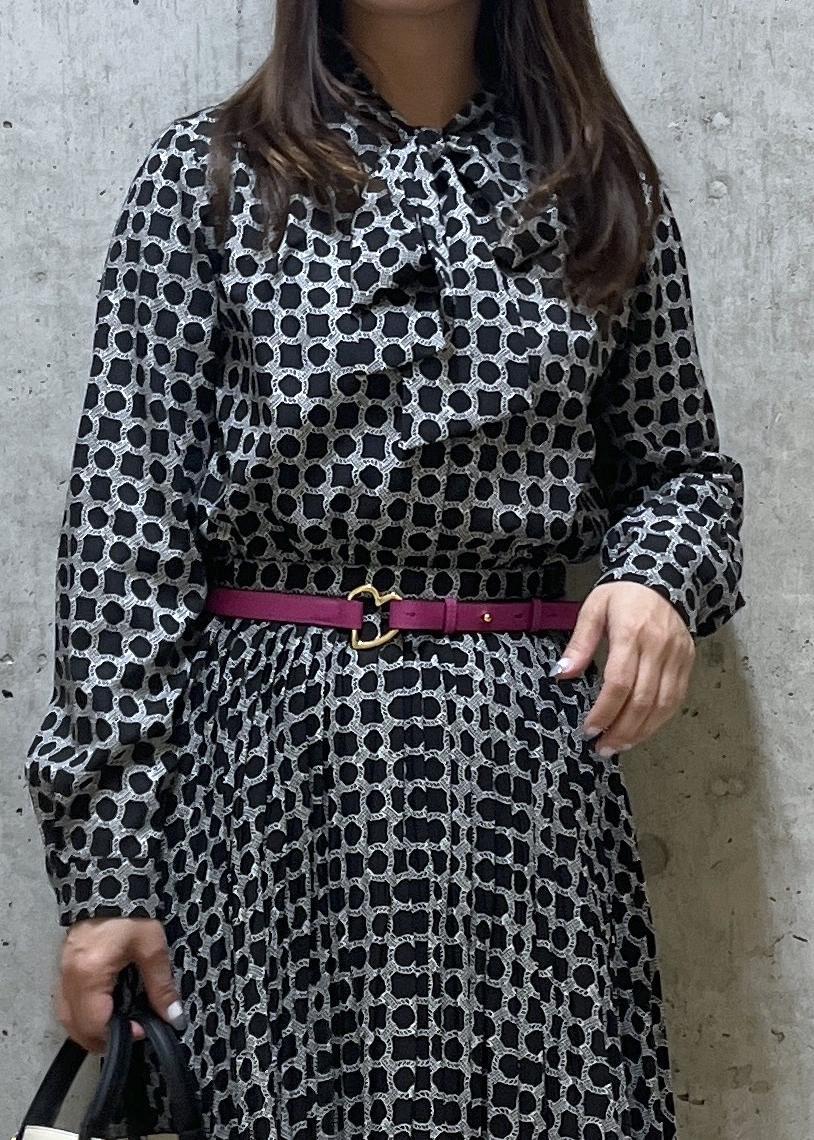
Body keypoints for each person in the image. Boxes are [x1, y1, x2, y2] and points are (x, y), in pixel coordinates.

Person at [24, 1, 746, 1137]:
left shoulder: (597, 183)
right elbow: (126, 533)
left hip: (522, 786)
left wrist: (655, 578)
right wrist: (107, 875)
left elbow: (685, 473)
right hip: (264, 784)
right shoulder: (214, 175)